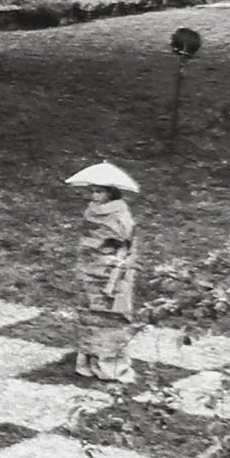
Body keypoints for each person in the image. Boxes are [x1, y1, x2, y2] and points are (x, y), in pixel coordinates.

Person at [67, 162, 140, 381]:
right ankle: (88, 360)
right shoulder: (91, 211)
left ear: (110, 193)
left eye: (99, 191)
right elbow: (87, 238)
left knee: (109, 317)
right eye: (92, 191)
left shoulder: (120, 215)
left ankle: (109, 365)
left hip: (109, 272)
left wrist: (117, 262)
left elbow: (127, 244)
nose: (94, 195)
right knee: (89, 315)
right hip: (89, 270)